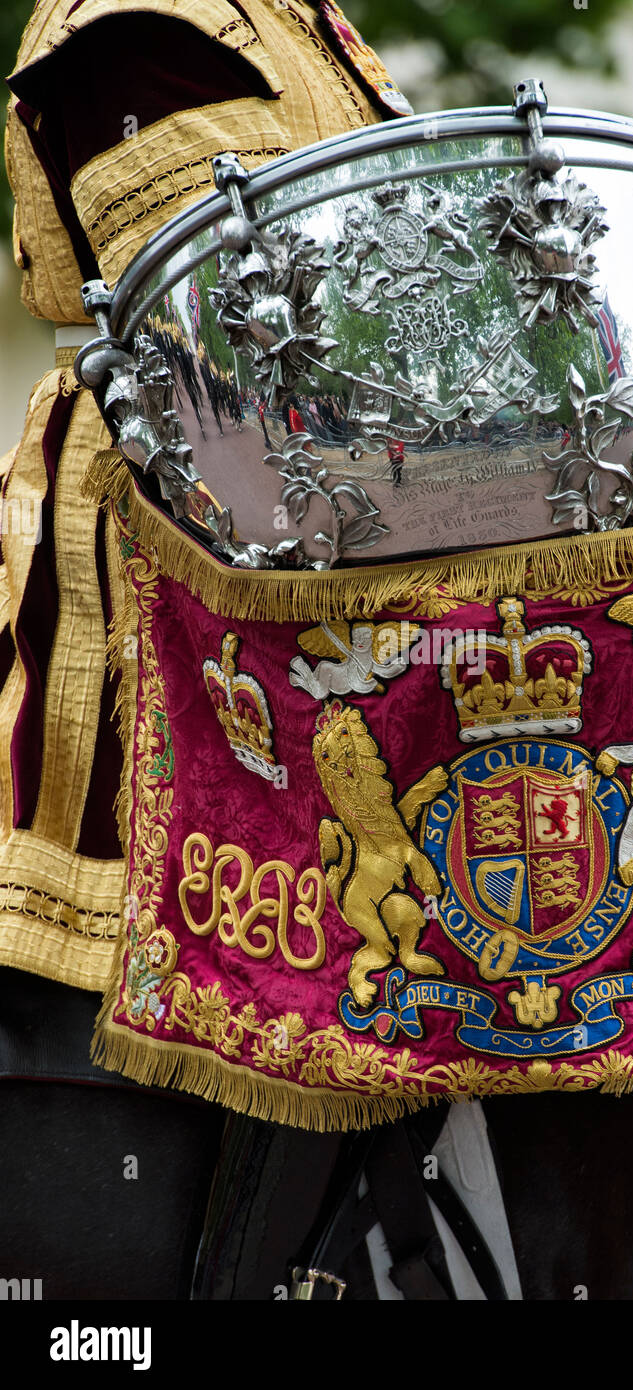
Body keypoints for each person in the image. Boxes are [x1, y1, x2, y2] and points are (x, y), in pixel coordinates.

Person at [0, 0, 410, 994]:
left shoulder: (304, 19)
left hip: (348, 476)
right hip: (188, 497)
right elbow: (214, 338)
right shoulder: (143, 16)